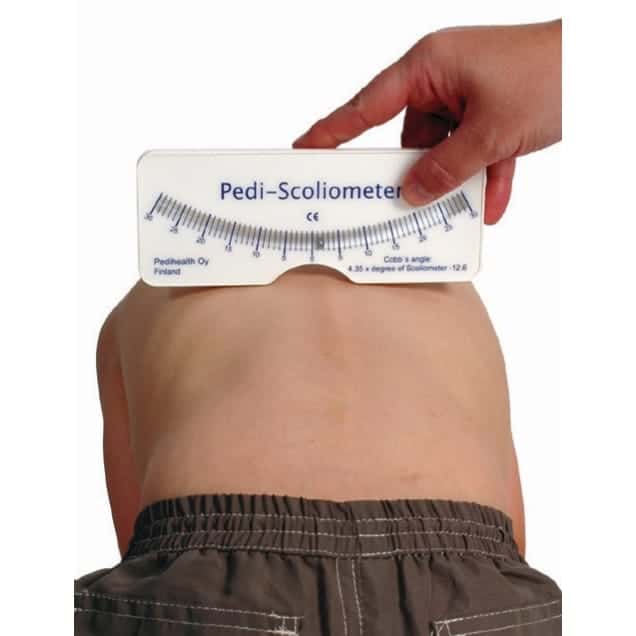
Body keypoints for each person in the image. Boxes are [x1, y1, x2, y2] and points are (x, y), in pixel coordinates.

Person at [75, 20, 562, 636]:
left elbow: (138, 540)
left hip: (216, 576)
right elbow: (510, 538)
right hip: (465, 571)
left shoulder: (142, 301)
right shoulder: (457, 292)